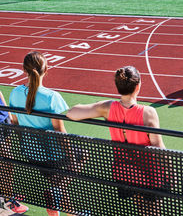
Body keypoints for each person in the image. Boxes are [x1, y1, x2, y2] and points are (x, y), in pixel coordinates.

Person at [67, 66, 166, 215]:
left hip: (124, 171)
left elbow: (72, 113)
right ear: (138, 86)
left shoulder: (108, 107)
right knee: (153, 210)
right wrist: (170, 171)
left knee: (139, 203)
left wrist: (105, 105)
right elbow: (158, 148)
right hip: (148, 173)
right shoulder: (148, 112)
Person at [9, 51, 73, 216]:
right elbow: (59, 130)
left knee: (56, 179)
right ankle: (57, 190)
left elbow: (15, 123)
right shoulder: (52, 97)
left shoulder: (15, 93)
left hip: (31, 152)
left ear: (24, 70)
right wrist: (70, 152)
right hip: (52, 155)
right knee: (82, 155)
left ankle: (61, 202)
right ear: (46, 69)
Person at [0, 91, 29, 214]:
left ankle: (7, 193)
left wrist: (8, 112)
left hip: (4, 118)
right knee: (6, 162)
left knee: (7, 162)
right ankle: (7, 202)